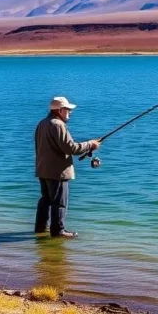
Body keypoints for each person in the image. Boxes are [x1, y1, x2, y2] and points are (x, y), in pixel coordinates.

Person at [34, 96, 101, 238]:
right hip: (57, 172)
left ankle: (40, 228)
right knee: (59, 203)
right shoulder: (58, 125)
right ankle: (58, 231)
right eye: (68, 110)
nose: (70, 112)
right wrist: (90, 144)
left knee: (45, 199)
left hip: (43, 169)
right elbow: (70, 148)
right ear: (59, 110)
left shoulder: (42, 123)